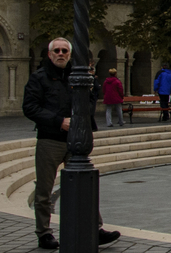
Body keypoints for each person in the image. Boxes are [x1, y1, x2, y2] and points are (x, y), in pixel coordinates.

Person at [23, 38, 121, 249]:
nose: (61, 54)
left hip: (77, 139)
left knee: (84, 183)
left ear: (69, 54)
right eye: (56, 51)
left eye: (64, 51)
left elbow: (90, 102)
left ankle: (95, 228)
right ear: (49, 54)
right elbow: (30, 107)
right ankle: (44, 232)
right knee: (44, 190)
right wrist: (59, 121)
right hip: (50, 140)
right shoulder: (39, 78)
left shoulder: (79, 77)